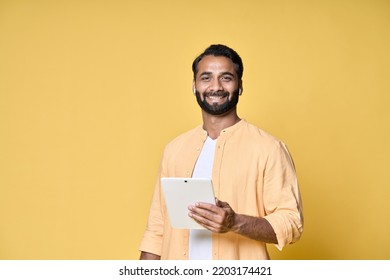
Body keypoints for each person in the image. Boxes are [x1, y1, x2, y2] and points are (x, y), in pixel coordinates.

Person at [139, 44, 303, 260]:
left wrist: (234, 222)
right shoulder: (174, 150)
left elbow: (291, 222)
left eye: (226, 78)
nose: (215, 86)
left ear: (240, 86)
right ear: (194, 85)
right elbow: (157, 230)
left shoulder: (269, 148)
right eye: (206, 78)